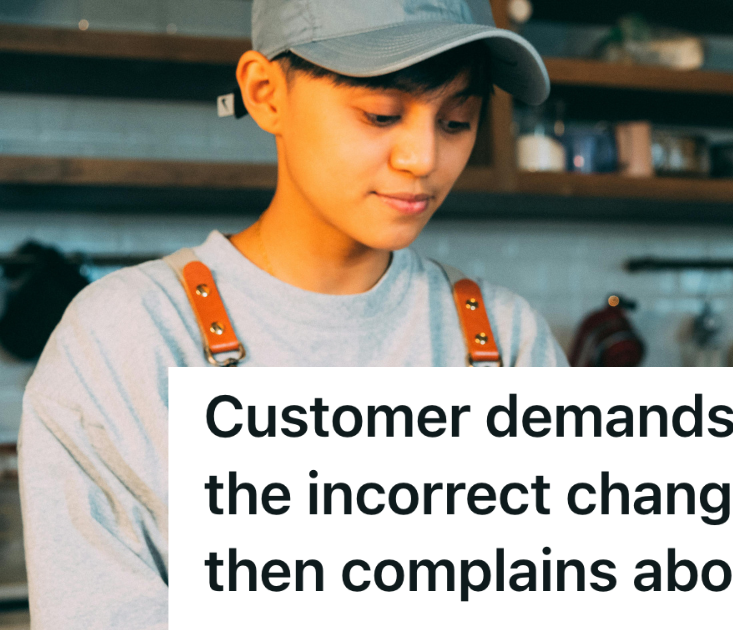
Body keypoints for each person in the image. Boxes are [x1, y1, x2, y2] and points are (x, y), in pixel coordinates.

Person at [17, 0, 564, 626]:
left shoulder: (506, 337)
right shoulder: (127, 338)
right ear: (265, 93)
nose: (423, 158)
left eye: (456, 122)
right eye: (381, 114)